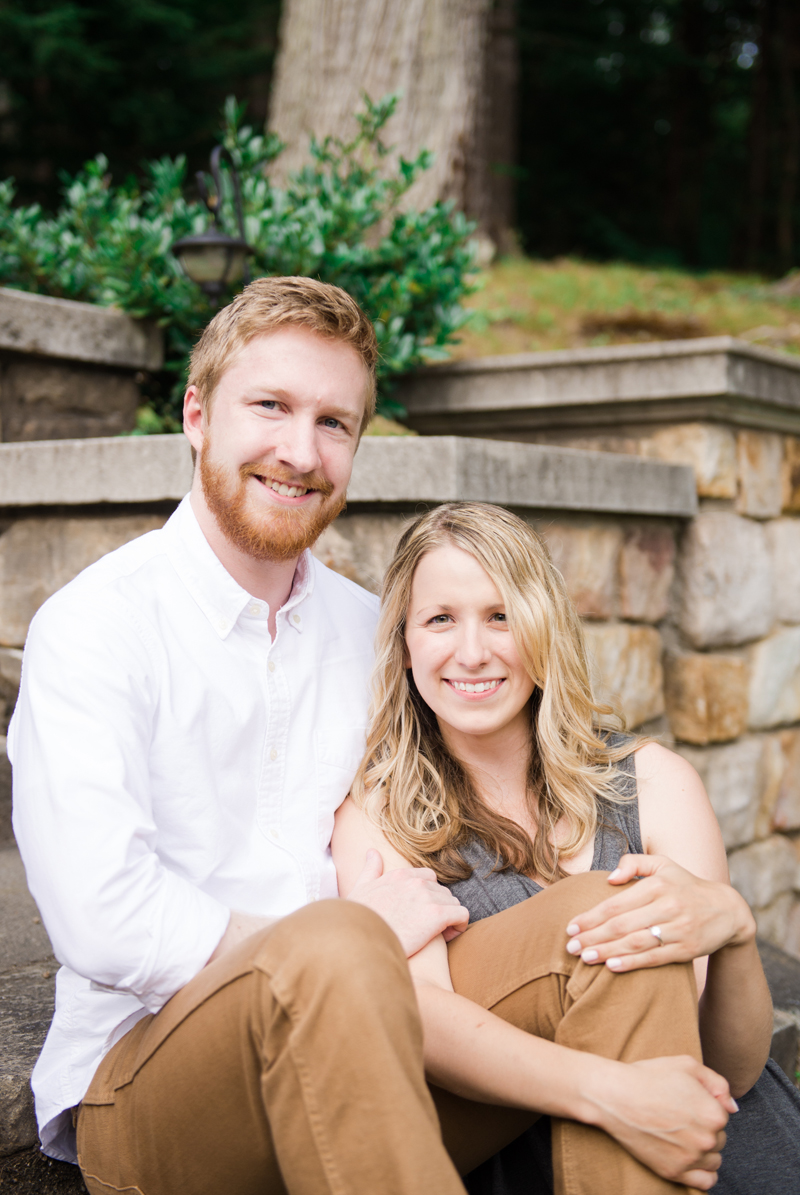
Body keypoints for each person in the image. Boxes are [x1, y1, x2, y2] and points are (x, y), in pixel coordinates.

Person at [9, 278, 749, 1195]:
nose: (299, 449)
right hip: (154, 1076)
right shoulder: (95, 627)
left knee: (610, 928)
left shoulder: (373, 632)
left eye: (334, 422)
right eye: (271, 406)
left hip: (383, 1016)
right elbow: (103, 918)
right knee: (333, 947)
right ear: (197, 414)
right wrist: (340, 938)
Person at [333, 501, 800, 1195]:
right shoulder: (381, 816)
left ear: (544, 625)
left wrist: (735, 929)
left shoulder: (654, 782)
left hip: (721, 1139)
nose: (471, 651)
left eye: (501, 615)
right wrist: (610, 1090)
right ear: (405, 644)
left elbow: (726, 1066)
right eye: (440, 619)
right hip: (533, 1145)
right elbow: (424, 1027)